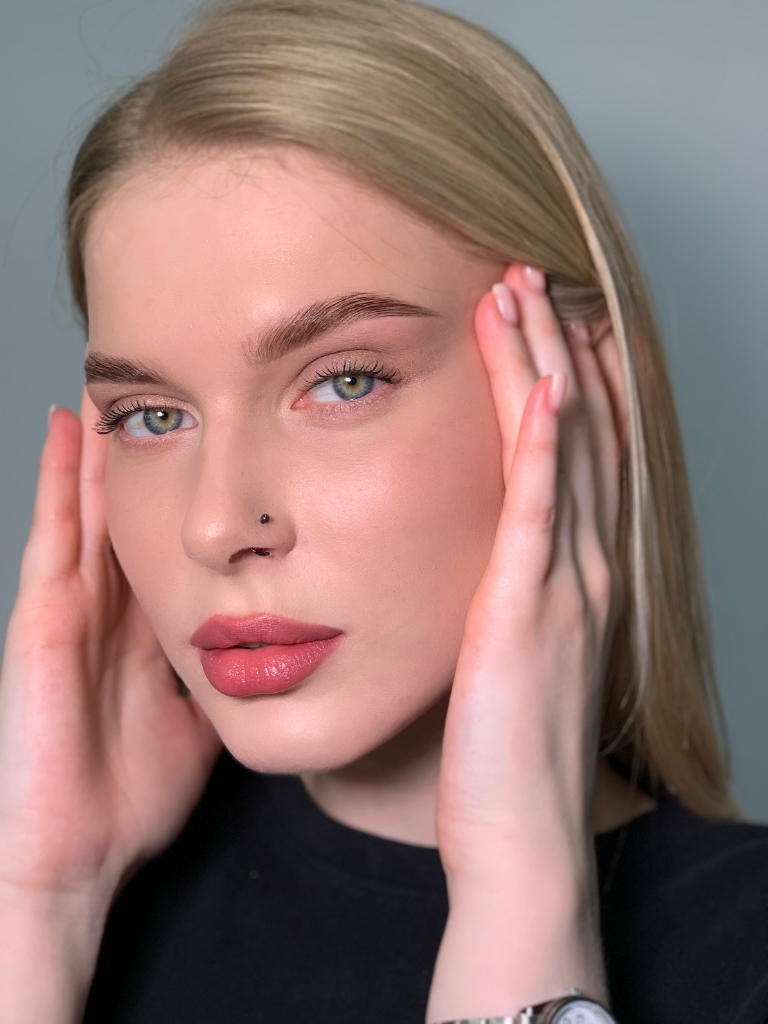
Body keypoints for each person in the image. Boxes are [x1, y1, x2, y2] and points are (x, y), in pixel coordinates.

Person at [1, 1, 767, 1022]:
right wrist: (40, 901)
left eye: (345, 381)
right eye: (152, 415)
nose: (216, 524)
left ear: (583, 393)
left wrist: (522, 896)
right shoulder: (75, 904)